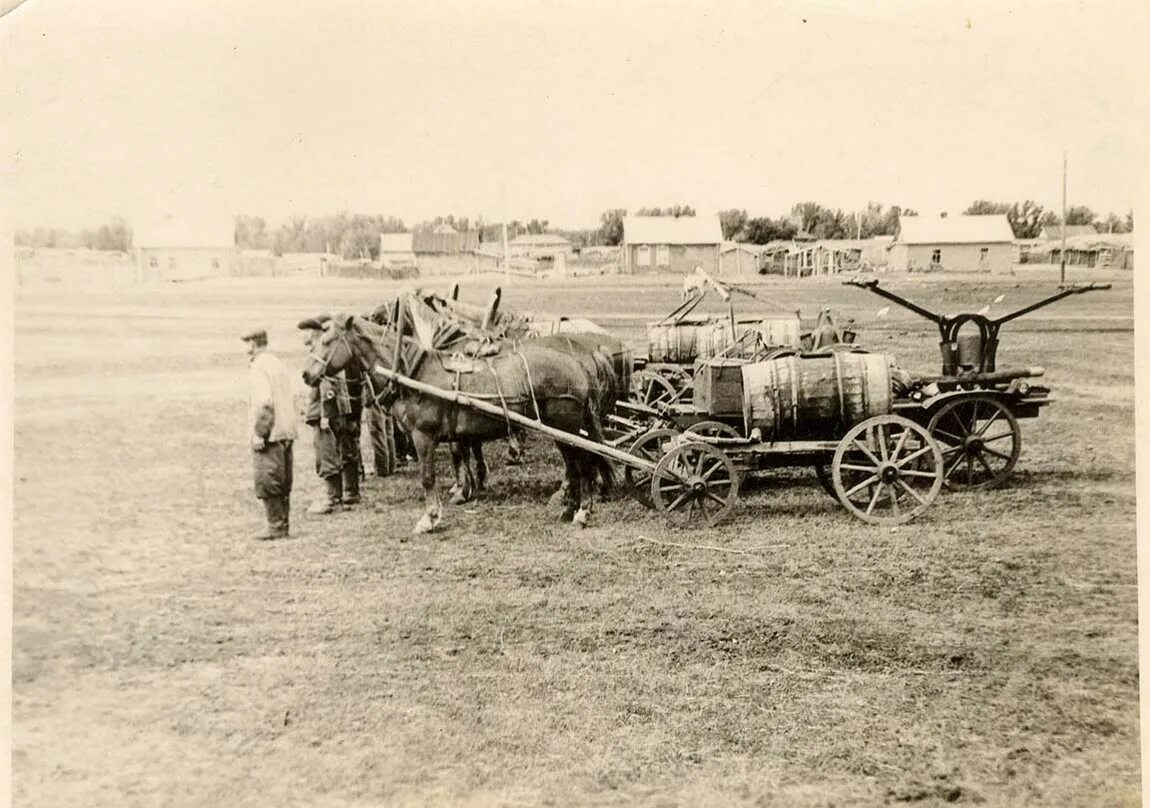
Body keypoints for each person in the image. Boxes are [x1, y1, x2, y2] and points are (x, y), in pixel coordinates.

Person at [298, 316, 359, 513]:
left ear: (311, 333)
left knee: (327, 453)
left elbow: (327, 383)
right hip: (338, 407)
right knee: (344, 447)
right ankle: (350, 491)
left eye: (303, 332)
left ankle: (333, 498)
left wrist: (324, 414)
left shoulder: (321, 351)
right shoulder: (327, 348)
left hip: (328, 411)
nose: (301, 336)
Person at [243, 327, 297, 540]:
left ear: (252, 343)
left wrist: (259, 433)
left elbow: (265, 402)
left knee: (268, 478)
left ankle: (276, 526)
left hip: (272, 433)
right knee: (283, 479)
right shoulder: (277, 363)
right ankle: (282, 524)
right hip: (286, 430)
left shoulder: (258, 367)